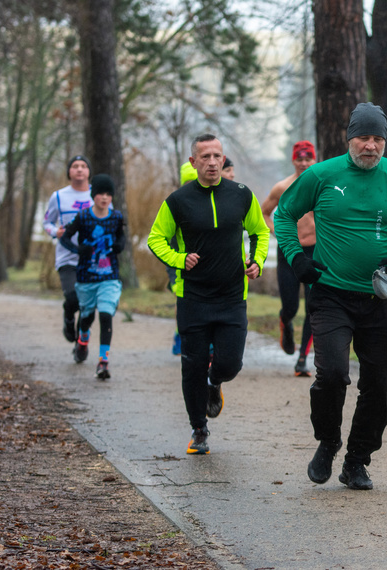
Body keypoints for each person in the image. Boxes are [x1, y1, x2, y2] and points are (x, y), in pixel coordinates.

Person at [274, 103, 387, 490]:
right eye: (363, 137)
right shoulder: (322, 175)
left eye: (378, 138)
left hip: (378, 299)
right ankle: (328, 442)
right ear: (350, 139)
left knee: (380, 386)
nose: (371, 146)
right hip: (331, 295)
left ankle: (357, 460)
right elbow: (283, 214)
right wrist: (297, 260)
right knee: (331, 375)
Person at [147, 134, 270, 455]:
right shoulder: (178, 200)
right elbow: (156, 238)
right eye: (206, 157)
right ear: (193, 162)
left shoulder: (242, 195)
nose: (213, 162)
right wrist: (178, 259)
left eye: (217, 156)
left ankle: (215, 384)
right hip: (194, 298)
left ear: (223, 159)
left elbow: (260, 231)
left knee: (230, 364)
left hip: (232, 297)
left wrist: (256, 262)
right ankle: (198, 429)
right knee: (192, 365)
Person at [59, 174, 126, 380]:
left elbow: (121, 238)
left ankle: (103, 362)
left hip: (109, 277)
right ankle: (83, 340)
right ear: (93, 195)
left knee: (106, 314)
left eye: (108, 194)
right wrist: (79, 250)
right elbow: (65, 238)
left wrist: (119, 246)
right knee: (87, 317)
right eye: (100, 194)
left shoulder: (116, 217)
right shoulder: (83, 217)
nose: (104, 198)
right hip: (86, 278)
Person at [261, 140, 317, 376]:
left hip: (316, 251)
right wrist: (278, 232)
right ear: (293, 160)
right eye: (299, 159)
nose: (304, 163)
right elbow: (264, 213)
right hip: (289, 252)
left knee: (314, 307)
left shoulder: (322, 184)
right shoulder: (282, 187)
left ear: (314, 160)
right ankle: (286, 320)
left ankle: (303, 358)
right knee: (291, 305)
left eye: (308, 159)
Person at [43, 156, 93, 343]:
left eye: (83, 166)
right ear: (69, 172)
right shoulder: (58, 197)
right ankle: (69, 318)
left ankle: (81, 339)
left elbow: (109, 219)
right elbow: (46, 222)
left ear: (89, 171)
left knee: (87, 304)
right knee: (72, 298)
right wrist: (55, 231)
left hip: (92, 258)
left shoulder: (97, 195)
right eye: (74, 166)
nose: (79, 169)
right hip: (67, 257)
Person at [169, 162, 199, 356]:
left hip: (203, 267)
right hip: (177, 265)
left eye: (193, 182)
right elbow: (166, 243)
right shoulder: (175, 205)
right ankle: (180, 334)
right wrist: (173, 266)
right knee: (183, 304)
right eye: (187, 182)